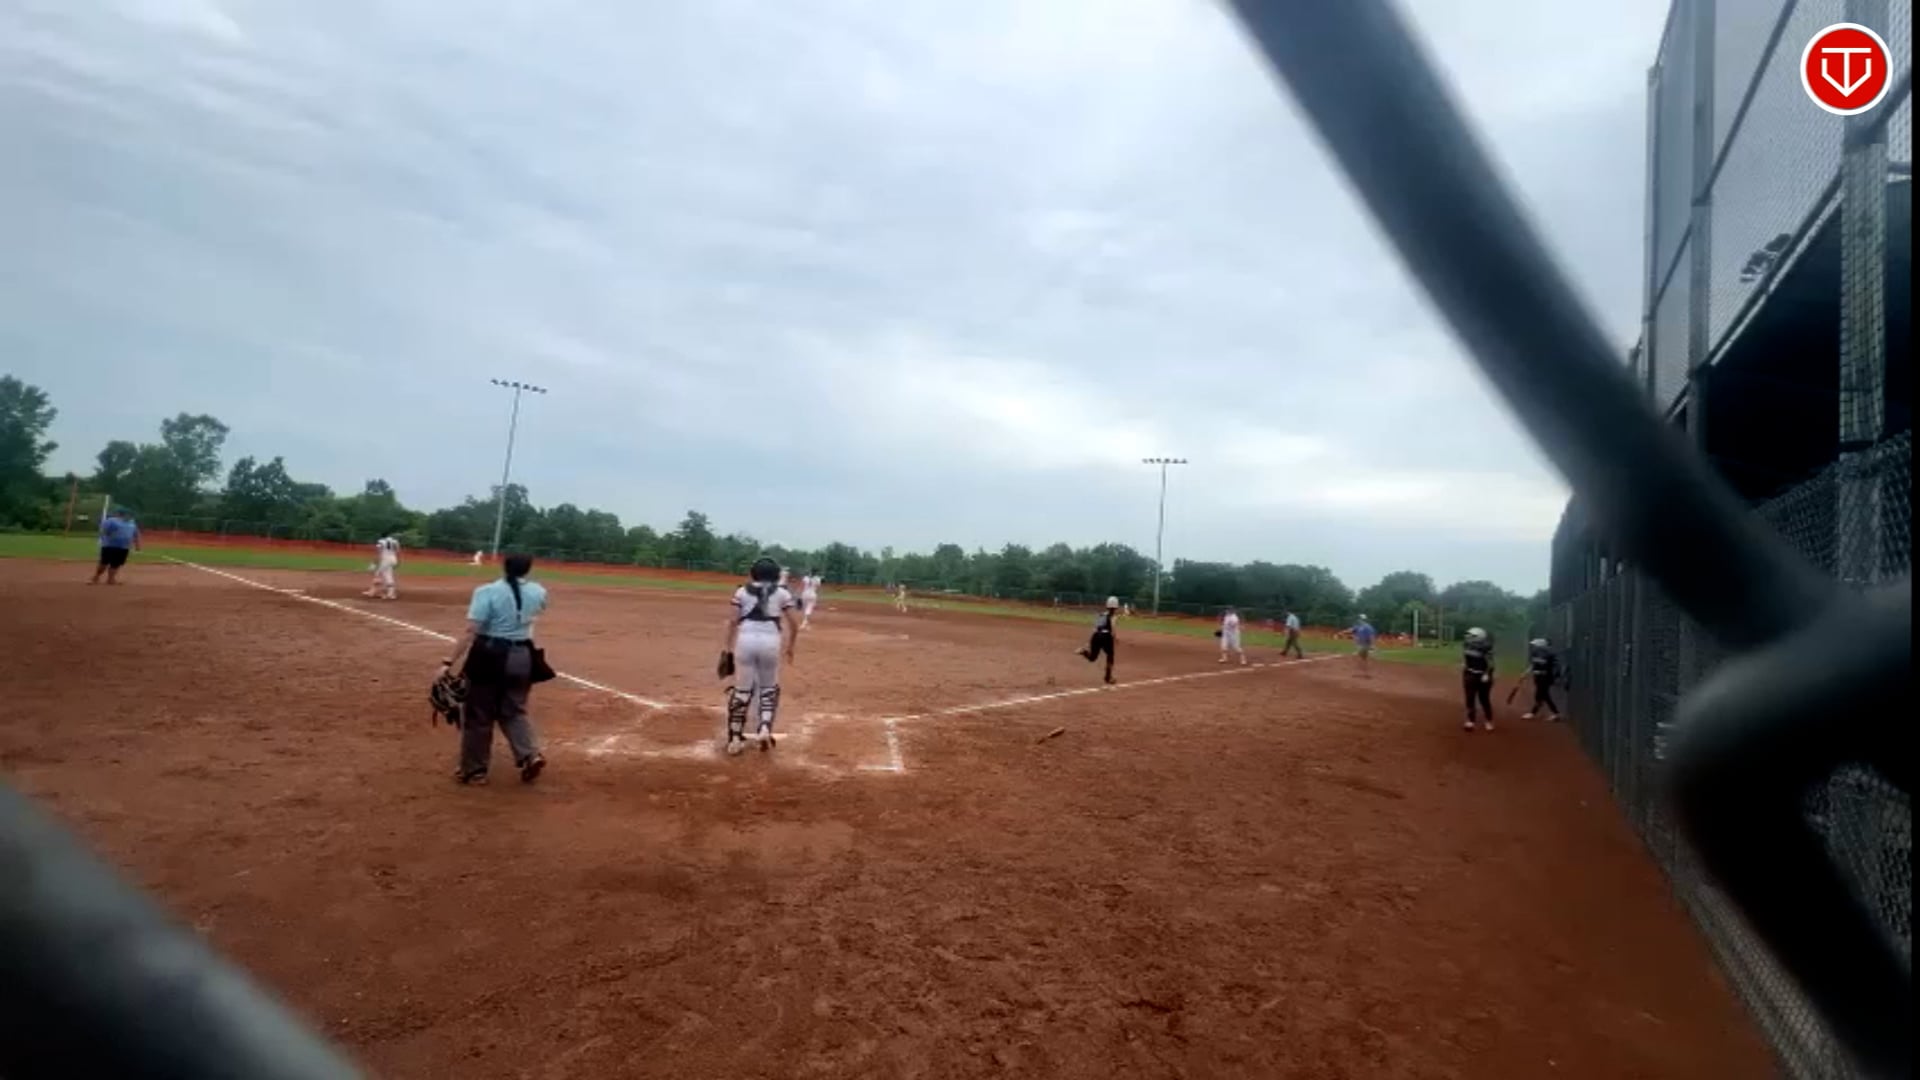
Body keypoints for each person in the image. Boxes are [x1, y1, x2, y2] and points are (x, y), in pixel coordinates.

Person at [440, 553, 549, 785]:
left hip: (489, 656)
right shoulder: (539, 592)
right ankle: (530, 755)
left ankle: (474, 771)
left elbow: (471, 630)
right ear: (528, 569)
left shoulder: (487, 591)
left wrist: (448, 662)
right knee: (514, 710)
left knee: (478, 714)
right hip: (523, 656)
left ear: (504, 567)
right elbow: (534, 614)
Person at [720, 557, 800, 756]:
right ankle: (764, 728)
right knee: (768, 688)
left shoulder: (741, 591)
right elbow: (794, 624)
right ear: (776, 575)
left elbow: (732, 621)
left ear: (753, 573)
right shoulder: (782, 593)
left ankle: (735, 739)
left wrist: (727, 649)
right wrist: (790, 647)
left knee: (742, 690)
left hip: (746, 640)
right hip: (770, 642)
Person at [1075, 596, 1121, 685]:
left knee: (1093, 657)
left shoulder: (1101, 615)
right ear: (1116, 607)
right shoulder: (1113, 617)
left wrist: (1090, 642)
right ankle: (1108, 677)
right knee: (1110, 655)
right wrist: (1115, 638)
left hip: (1096, 636)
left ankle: (1084, 652)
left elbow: (1095, 629)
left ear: (1107, 606)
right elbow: (1112, 628)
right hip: (1106, 636)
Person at [89, 507, 141, 585]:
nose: (129, 516)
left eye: (130, 515)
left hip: (124, 547)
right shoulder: (111, 521)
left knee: (116, 563)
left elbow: (136, 534)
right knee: (104, 562)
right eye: (127, 514)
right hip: (109, 546)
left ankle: (111, 579)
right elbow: (104, 531)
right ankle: (96, 577)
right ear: (121, 514)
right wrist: (104, 538)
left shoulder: (132, 523)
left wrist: (137, 545)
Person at [1462, 626, 1496, 732]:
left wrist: (1487, 674)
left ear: (1479, 637)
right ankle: (1471, 720)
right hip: (1470, 674)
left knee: (1484, 699)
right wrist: (1465, 666)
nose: (1468, 637)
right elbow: (1466, 658)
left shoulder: (1486, 647)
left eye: (1472, 636)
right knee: (1470, 698)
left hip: (1482, 676)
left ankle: (1489, 720)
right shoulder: (1467, 644)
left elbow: (1491, 663)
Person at [1523, 637, 1563, 721]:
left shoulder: (1550, 655)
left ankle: (1534, 712)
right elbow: (1534, 665)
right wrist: (1526, 673)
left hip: (1545, 679)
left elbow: (1555, 667)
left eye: (1535, 645)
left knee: (1541, 695)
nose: (1534, 646)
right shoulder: (1535, 653)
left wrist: (1555, 676)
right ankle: (1555, 713)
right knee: (1543, 696)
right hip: (1538, 678)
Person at [364, 529, 400, 600]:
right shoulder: (395, 541)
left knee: (378, 575)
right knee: (388, 575)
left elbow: (379, 552)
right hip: (393, 559)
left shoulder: (381, 541)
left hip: (385, 560)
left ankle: (374, 592)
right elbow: (398, 552)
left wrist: (374, 563)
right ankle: (389, 593)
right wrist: (398, 562)